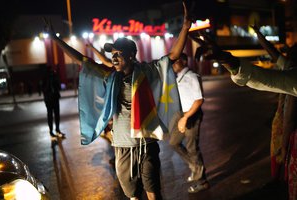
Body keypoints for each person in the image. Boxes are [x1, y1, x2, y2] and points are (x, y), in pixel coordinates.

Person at [44, 2, 192, 199]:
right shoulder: (110, 76)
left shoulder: (147, 71)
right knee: (133, 195)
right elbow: (82, 60)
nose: (113, 58)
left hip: (146, 143)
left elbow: (172, 56)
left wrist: (184, 28)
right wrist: (55, 39)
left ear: (131, 55)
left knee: (153, 193)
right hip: (122, 145)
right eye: (112, 54)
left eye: (118, 54)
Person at [191, 31, 297, 200]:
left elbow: (264, 78)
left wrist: (227, 58)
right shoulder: (290, 69)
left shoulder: (292, 74)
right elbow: (267, 72)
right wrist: (228, 58)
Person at [169, 52, 209, 193]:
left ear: (184, 61)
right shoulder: (178, 77)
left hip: (192, 115)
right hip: (181, 114)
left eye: (175, 61)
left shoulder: (192, 76)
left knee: (192, 148)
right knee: (174, 142)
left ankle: (202, 181)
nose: (173, 64)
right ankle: (194, 166)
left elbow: (199, 100)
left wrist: (186, 118)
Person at [42, 67, 65, 141]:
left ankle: (57, 129)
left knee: (57, 115)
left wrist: (56, 81)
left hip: (55, 98)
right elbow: (43, 89)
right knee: (50, 116)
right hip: (49, 99)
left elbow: (58, 87)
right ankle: (51, 131)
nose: (52, 72)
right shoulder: (45, 78)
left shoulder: (55, 76)